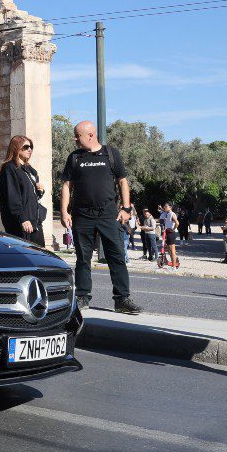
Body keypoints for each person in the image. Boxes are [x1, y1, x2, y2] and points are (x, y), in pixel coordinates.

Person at [59, 121, 142, 314]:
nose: (74, 139)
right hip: (82, 215)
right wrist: (64, 212)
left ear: (90, 135)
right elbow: (66, 186)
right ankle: (82, 297)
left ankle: (122, 299)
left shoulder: (111, 154)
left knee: (117, 257)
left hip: (107, 215)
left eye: (77, 135)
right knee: (83, 259)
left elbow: (123, 181)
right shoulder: (74, 157)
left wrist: (126, 208)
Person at [0, 135, 45, 247]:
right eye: (26, 146)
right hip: (21, 222)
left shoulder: (31, 170)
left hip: (35, 221)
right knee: (24, 256)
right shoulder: (9, 168)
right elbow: (12, 197)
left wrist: (40, 191)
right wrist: (22, 218)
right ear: (16, 148)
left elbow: (29, 196)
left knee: (39, 255)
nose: (30, 149)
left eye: (31, 147)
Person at [158, 202, 179, 268]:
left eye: (166, 206)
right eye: (164, 206)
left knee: (172, 251)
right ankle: (175, 262)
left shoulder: (172, 214)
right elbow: (163, 211)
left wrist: (173, 229)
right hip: (167, 232)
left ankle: (174, 267)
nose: (165, 207)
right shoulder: (167, 214)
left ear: (170, 207)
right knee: (169, 250)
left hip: (171, 233)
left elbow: (177, 223)